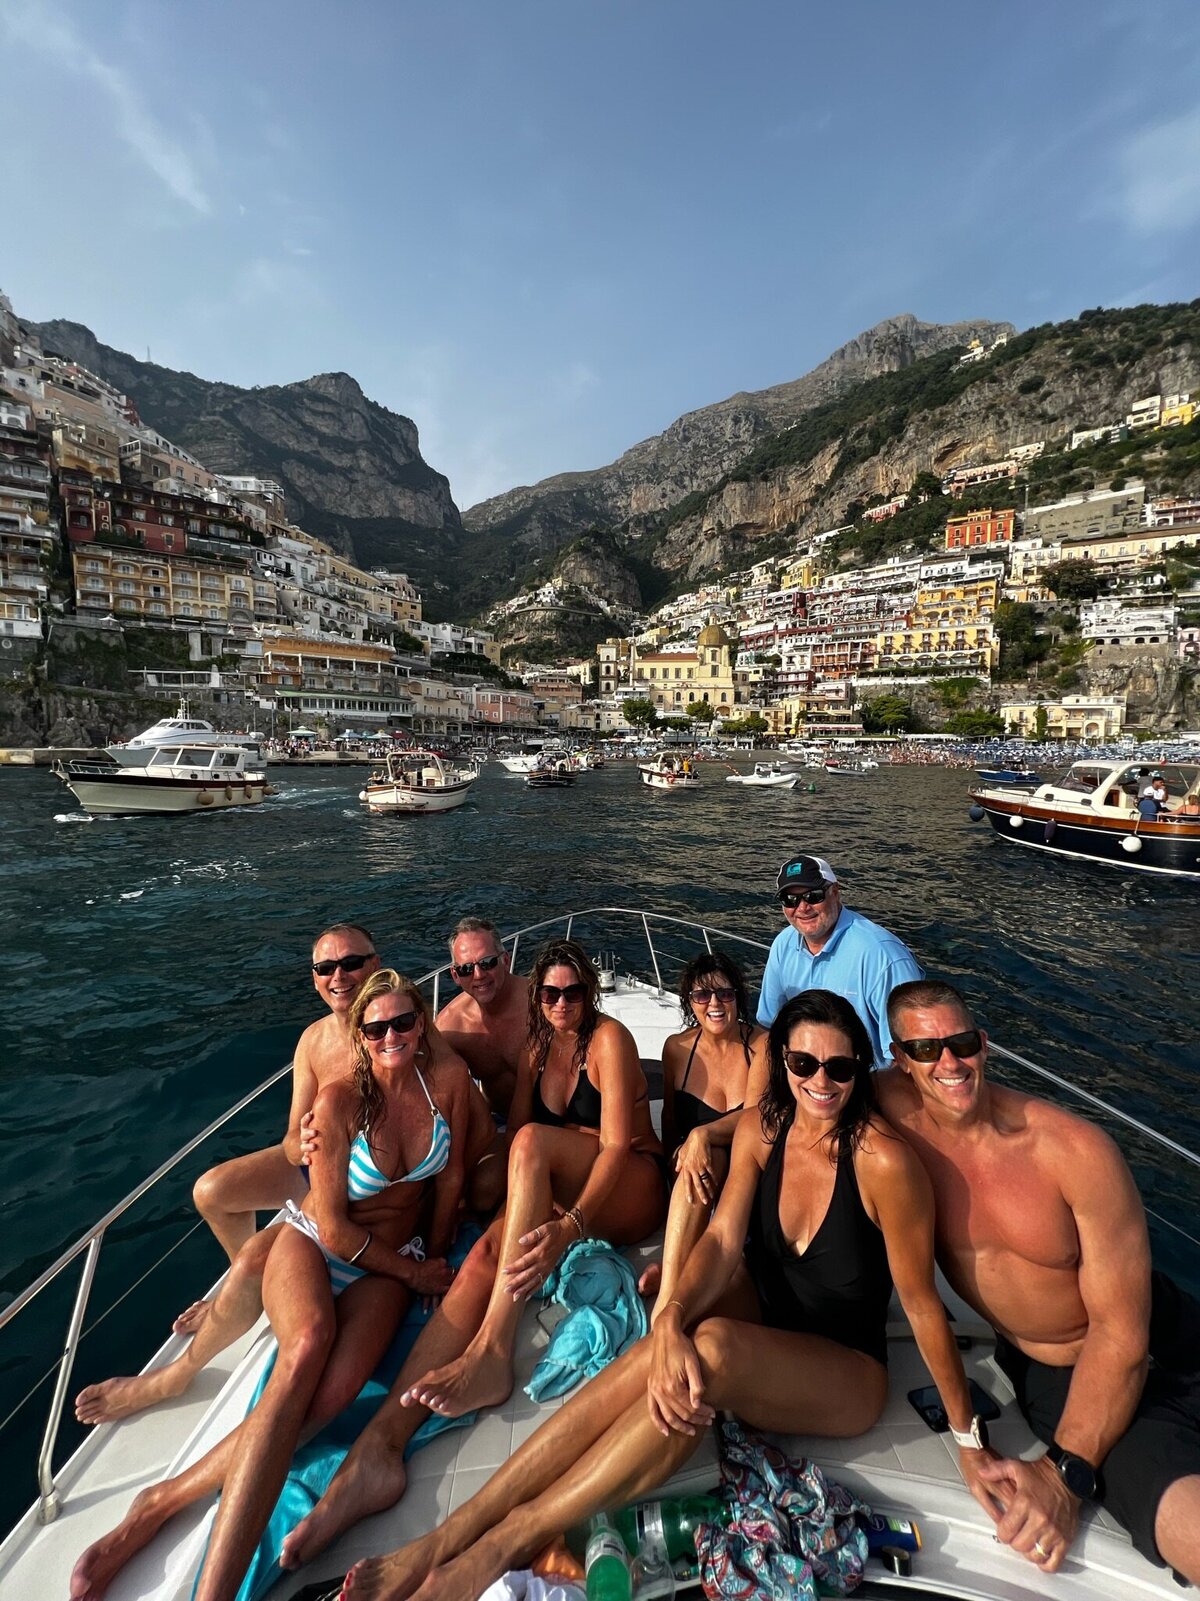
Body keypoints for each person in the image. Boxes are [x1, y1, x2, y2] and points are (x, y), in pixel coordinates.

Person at [330, 989, 983, 1601]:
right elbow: (722, 1240)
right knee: (664, 1357)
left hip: (847, 1371)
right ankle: (448, 1534)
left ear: (860, 1070)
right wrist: (668, 1317)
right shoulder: (766, 1130)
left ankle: (509, 1538)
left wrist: (972, 1444)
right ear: (782, 1061)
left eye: (840, 1067)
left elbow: (923, 1305)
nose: (821, 1082)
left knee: (710, 1348)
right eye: (803, 1062)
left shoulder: (882, 1162)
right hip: (771, 1328)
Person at [70, 972, 473, 1601]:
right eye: (376, 1028)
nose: (390, 1035)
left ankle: (161, 1498)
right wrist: (415, 1272)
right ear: (360, 1036)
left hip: (391, 1264)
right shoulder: (340, 1101)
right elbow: (332, 1226)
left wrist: (438, 1253)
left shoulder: (445, 1083)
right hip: (318, 1243)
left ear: (421, 1024)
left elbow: (449, 1182)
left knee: (321, 1406)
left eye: (402, 1022)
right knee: (306, 1348)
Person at [276, 938, 668, 1574]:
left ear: (590, 992)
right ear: (536, 998)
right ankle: (378, 1449)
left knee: (534, 1145)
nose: (561, 1003)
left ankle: (491, 1354)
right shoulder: (538, 1045)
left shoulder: (610, 1040)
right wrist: (491, 1204)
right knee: (487, 1252)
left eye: (573, 992)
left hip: (630, 1188)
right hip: (565, 1181)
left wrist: (566, 1228)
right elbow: (515, 1137)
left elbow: (617, 1147)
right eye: (549, 994)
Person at [876, 978, 1200, 1582]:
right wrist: (708, 1140)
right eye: (925, 1049)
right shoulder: (889, 1111)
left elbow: (1122, 1333)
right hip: (1071, 1376)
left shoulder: (1075, 1150)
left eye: (961, 1043)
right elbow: (791, 1095)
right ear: (900, 1059)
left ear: (983, 1044)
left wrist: (1060, 1480)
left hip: (1161, 1331)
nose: (949, 1063)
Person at [75, 924, 382, 1427]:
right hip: (315, 1165)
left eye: (351, 963)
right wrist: (303, 1141)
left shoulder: (394, 1029)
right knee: (213, 1191)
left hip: (364, 1182)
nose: (339, 976)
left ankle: (174, 1376)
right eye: (325, 967)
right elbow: (289, 1140)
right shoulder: (312, 1040)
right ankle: (255, 1290)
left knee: (257, 1256)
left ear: (375, 964)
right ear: (313, 977)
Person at [640, 949, 769, 1314]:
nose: (714, 1003)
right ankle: (671, 1291)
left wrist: (702, 1135)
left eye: (724, 993)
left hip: (745, 1171)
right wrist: (670, 1173)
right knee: (695, 1165)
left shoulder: (761, 1046)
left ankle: (671, 1287)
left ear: (738, 998)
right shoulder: (677, 1048)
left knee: (706, 1156)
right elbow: (669, 1120)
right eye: (702, 995)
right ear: (689, 1002)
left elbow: (755, 1117)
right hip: (692, 1174)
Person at [756, 855, 923, 1063]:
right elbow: (767, 1027)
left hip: (868, 1080)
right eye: (790, 899)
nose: (802, 908)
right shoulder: (783, 944)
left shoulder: (883, 956)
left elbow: (908, 1059)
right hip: (804, 1072)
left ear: (835, 892)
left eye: (813, 896)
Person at [435, 916, 530, 1120]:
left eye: (487, 963)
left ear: (505, 961)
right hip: (496, 1119)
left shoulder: (542, 1003)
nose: (478, 975)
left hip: (554, 1120)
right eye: (466, 969)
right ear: (455, 975)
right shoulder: (450, 1028)